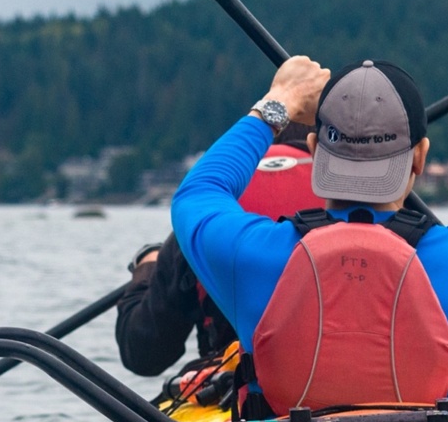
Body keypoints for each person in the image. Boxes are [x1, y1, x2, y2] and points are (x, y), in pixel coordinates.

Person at [171, 56, 448, 410]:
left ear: (314, 151)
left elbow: (198, 193)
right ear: (419, 158)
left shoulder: (252, 257)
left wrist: (279, 102)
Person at [116, 124, 319, 377]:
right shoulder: (356, 209)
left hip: (234, 388)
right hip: (331, 384)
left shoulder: (207, 218)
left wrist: (147, 268)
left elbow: (143, 353)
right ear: (315, 142)